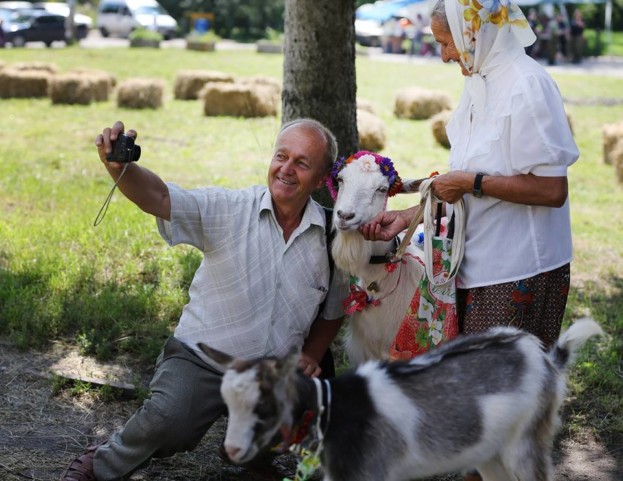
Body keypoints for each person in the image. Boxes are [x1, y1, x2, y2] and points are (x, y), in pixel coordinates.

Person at [61, 118, 348, 481]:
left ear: (322, 178)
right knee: (168, 421)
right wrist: (121, 168)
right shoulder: (230, 209)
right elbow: (161, 198)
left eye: (302, 163)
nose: (286, 169)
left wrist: (312, 353)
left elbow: (334, 309)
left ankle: (250, 453)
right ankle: (101, 462)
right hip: (201, 359)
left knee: (306, 409)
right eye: (281, 156)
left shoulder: (332, 239)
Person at [361, 1, 577, 476]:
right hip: (477, 261)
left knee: (500, 405)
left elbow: (551, 189)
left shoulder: (527, 84)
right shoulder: (479, 79)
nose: (442, 54)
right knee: (479, 401)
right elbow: (460, 178)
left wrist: (471, 182)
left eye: (445, 42)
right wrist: (412, 215)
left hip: (519, 268)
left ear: (474, 32)